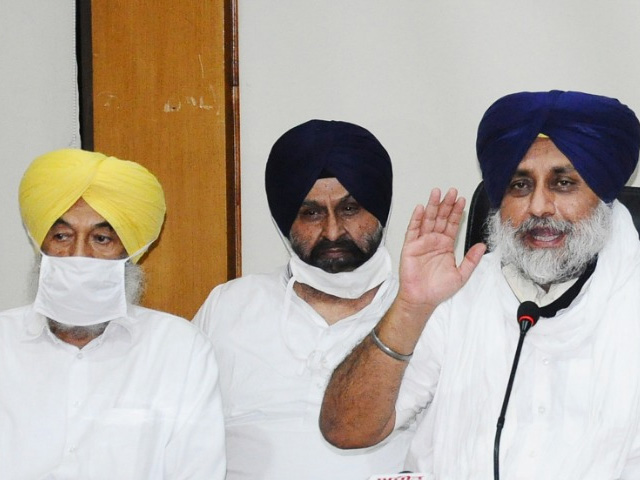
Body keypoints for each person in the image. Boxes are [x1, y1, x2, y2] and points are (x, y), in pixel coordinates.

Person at [320, 90, 640, 479]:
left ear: (603, 195)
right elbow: (347, 430)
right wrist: (411, 306)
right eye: (519, 185)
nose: (538, 206)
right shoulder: (459, 294)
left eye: (563, 183)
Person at [193, 120, 414, 479]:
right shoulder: (230, 306)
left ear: (379, 209)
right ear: (286, 220)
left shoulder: (422, 311)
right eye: (311, 213)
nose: (332, 231)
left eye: (350, 209)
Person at [0, 149, 226, 479]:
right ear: (41, 245)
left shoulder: (178, 349)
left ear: (130, 252)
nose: (79, 255)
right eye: (62, 236)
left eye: (101, 238)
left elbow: (197, 469)